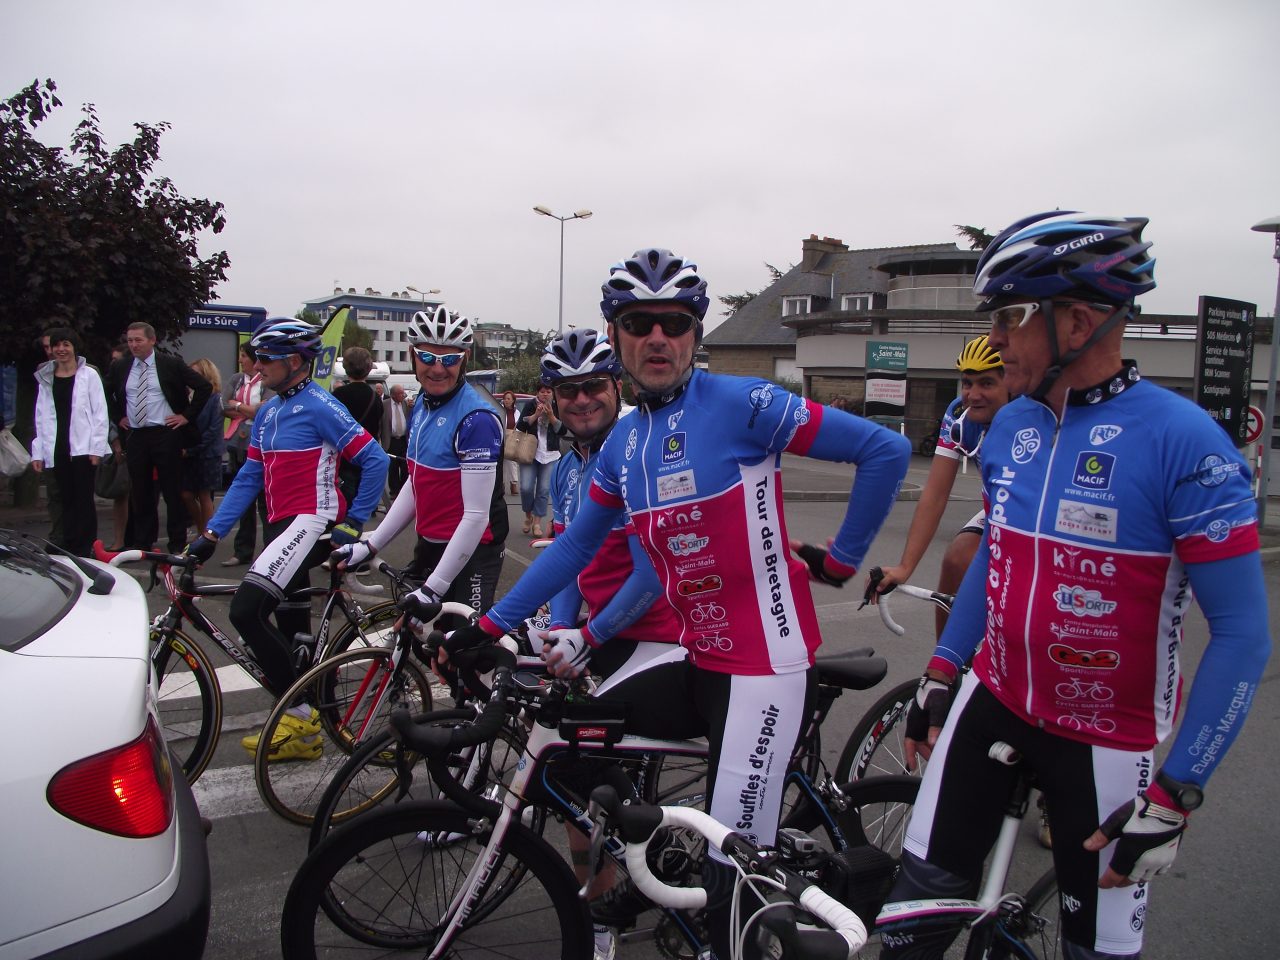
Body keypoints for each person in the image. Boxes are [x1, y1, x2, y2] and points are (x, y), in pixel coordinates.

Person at [449, 247, 912, 960]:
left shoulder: (741, 403)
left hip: (764, 666)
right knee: (570, 740)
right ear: (618, 336)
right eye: (639, 323)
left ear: (695, 333)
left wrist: (844, 559)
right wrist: (489, 625)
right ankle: (640, 880)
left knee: (737, 873)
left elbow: (883, 450)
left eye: (674, 322)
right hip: (700, 657)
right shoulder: (625, 441)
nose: (657, 337)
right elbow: (572, 549)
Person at [881, 212, 1271, 960]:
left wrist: (1177, 792)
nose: (993, 342)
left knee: (1093, 950)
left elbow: (1245, 637)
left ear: (1080, 321)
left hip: (1104, 741)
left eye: (1008, 317)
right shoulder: (1012, 424)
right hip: (991, 702)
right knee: (910, 928)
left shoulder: (1185, 443)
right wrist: (941, 670)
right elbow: (999, 555)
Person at [186, 319, 389, 760]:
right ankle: (306, 731)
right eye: (255, 358)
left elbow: (374, 460)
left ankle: (298, 710)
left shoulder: (320, 405)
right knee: (291, 630)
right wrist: (210, 533)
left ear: (294, 362)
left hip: (313, 521)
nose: (256, 367)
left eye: (265, 359)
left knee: (245, 610)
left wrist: (352, 523)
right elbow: (249, 476)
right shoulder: (270, 412)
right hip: (282, 526)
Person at [332, 307, 507, 631]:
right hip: (432, 541)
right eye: (428, 357)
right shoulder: (423, 407)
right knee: (418, 636)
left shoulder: (477, 419)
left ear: (464, 359)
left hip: (473, 550)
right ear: (413, 355)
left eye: (450, 359)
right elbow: (416, 484)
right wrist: (371, 544)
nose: (438, 368)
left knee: (465, 653)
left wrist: (434, 588)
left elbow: (476, 516)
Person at [870, 335, 1009, 638]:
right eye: (967, 383)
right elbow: (935, 493)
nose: (973, 394)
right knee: (957, 558)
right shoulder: (960, 414)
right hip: (997, 507)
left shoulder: (1031, 416)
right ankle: (946, 667)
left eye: (986, 383)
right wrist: (906, 566)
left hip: (1035, 515)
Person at [106, 321, 212, 553]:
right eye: (130, 340)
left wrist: (186, 416)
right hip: (137, 434)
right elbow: (107, 393)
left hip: (166, 432)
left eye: (138, 340)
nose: (134, 345)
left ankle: (176, 542)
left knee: (172, 491)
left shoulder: (170, 364)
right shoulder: (122, 367)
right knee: (141, 491)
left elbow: (204, 387)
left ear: (152, 341)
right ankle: (143, 541)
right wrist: (119, 416)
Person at [30, 327, 110, 556]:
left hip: (83, 447)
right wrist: (38, 451)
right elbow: (41, 415)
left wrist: (97, 447)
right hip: (57, 446)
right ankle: (68, 542)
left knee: (83, 498)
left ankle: (86, 546)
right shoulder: (46, 377)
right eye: (57, 345)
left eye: (66, 345)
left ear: (74, 347)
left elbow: (100, 413)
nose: (61, 350)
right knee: (65, 498)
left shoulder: (89, 375)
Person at [220, 342, 270, 566]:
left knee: (265, 501)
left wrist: (237, 406)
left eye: (244, 356)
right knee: (242, 499)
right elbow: (223, 405)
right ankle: (242, 551)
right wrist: (247, 408)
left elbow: (264, 409)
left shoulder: (266, 381)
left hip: (260, 445)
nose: (241, 360)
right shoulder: (236, 379)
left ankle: (270, 551)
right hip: (237, 445)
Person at [332, 346, 384, 507]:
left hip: (343, 458)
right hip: (366, 456)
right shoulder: (375, 398)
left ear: (346, 368)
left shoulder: (337, 396)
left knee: (344, 504)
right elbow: (378, 428)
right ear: (368, 369)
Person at [180, 358, 226, 537]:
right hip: (189, 453)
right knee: (186, 494)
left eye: (196, 374)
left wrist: (192, 449)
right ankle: (201, 529)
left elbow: (213, 430)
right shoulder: (187, 397)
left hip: (208, 454)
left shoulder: (216, 399)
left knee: (204, 494)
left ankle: (207, 535)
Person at [516, 383, 565, 536]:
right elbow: (520, 426)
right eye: (542, 392)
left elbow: (562, 430)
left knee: (544, 489)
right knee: (526, 488)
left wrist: (551, 416)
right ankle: (528, 516)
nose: (545, 394)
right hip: (530, 452)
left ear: (553, 393)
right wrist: (535, 415)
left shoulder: (557, 406)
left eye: (548, 391)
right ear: (537, 393)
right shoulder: (531, 404)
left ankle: (537, 523)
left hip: (550, 453)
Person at [380, 382, 411, 498]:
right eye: (400, 393)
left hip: (404, 440)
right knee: (392, 467)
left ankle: (404, 491)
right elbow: (380, 423)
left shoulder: (405, 404)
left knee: (404, 466)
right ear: (393, 395)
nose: (403, 395)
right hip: (391, 440)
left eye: (403, 393)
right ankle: (394, 490)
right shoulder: (384, 405)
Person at [499, 389, 520, 495]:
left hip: (512, 437)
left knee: (512, 461)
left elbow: (519, 426)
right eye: (504, 399)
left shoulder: (517, 412)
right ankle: (501, 484)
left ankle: (513, 484)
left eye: (508, 399)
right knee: (501, 462)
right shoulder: (499, 409)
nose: (506, 401)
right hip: (501, 437)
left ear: (513, 401)